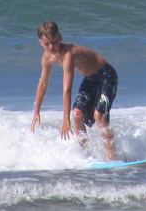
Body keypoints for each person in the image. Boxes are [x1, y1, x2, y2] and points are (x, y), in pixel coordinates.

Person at [31, 21, 118, 160]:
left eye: (54, 42)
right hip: (90, 79)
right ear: (40, 42)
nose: (51, 46)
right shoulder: (46, 58)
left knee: (99, 115)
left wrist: (65, 119)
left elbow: (67, 89)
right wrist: (36, 112)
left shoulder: (68, 55)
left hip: (106, 76)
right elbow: (42, 84)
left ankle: (112, 158)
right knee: (77, 115)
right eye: (47, 44)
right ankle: (88, 157)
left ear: (60, 37)